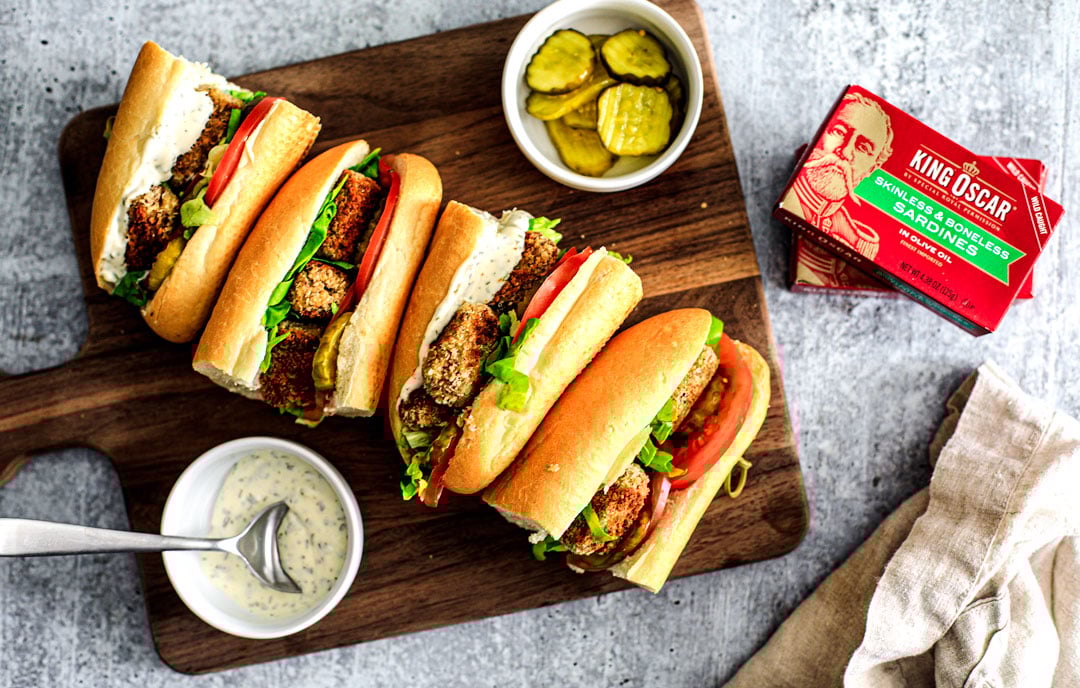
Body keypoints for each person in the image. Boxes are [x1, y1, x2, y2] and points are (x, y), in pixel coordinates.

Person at [781, 92, 894, 259]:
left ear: (871, 169)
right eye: (839, 132)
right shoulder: (791, 202)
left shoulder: (853, 234)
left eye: (863, 147)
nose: (845, 152)